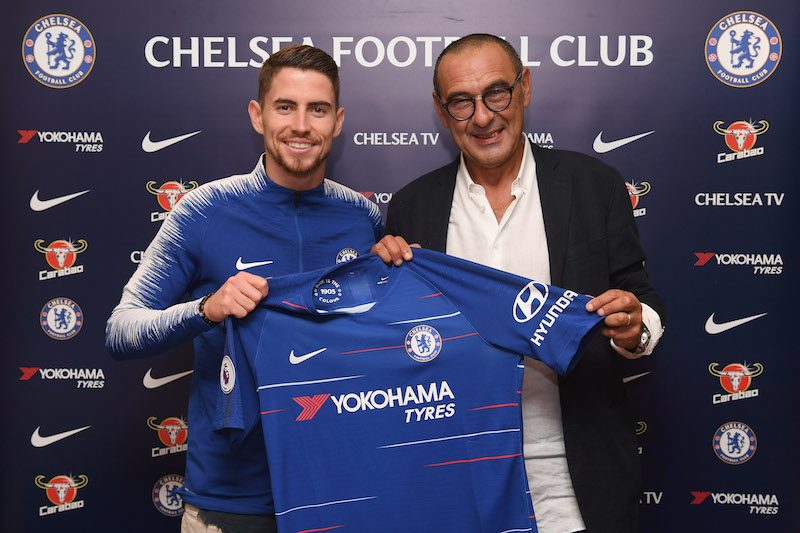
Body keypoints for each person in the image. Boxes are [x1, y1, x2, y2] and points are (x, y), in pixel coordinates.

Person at [373, 34, 665, 533]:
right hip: (455, 478)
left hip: (573, 481)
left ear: (524, 87)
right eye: (461, 102)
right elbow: (393, 348)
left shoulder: (594, 185)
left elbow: (642, 299)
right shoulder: (412, 207)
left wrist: (635, 326)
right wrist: (383, 289)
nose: (482, 117)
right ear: (441, 111)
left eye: (496, 93)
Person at [106, 45, 383, 533]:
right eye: (285, 107)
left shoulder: (364, 217)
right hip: (230, 502)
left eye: (317, 109)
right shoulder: (203, 209)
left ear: (338, 122)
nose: (301, 125)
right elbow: (121, 330)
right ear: (258, 115)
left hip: (341, 492)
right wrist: (206, 309)